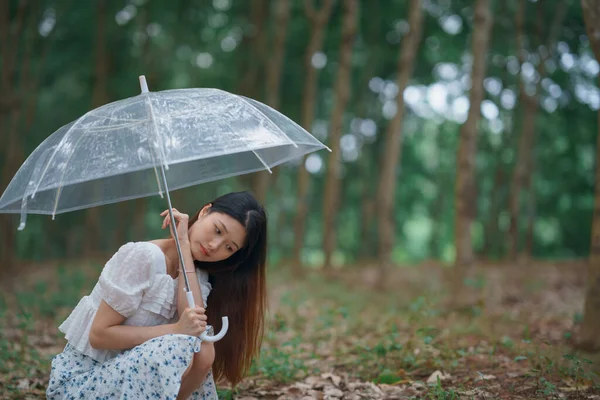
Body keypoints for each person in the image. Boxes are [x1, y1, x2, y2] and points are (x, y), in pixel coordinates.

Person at [46, 191, 268, 400]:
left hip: (127, 381)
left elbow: (194, 325)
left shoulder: (198, 276)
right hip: (84, 381)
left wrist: (183, 247)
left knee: (203, 348)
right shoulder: (145, 257)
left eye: (229, 248)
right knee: (180, 344)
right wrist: (174, 329)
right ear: (204, 212)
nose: (214, 245)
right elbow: (99, 335)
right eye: (218, 230)